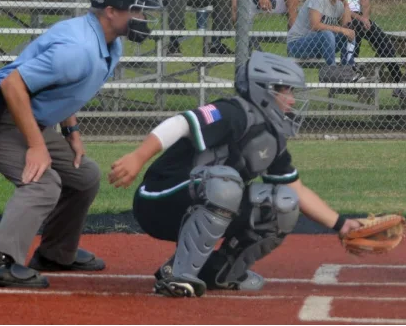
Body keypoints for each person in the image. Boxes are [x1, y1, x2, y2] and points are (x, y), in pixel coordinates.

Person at [0, 0, 162, 289]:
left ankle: (56, 252)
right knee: (43, 183)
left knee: (84, 176)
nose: (144, 18)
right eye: (137, 10)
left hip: (23, 115)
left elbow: (63, 90)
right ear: (111, 11)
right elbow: (13, 85)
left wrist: (72, 129)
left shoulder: (111, 42)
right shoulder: (78, 48)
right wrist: (36, 145)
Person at [108, 52, 363, 297]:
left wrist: (342, 225)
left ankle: (219, 273)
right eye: (286, 90)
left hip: (201, 202)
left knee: (282, 204)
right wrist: (138, 156)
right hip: (158, 198)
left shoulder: (273, 138)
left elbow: (296, 190)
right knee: (225, 184)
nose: (293, 100)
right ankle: (178, 274)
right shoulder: (233, 112)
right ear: (265, 89)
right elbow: (182, 122)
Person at [287, 0, 362, 79]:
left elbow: (347, 26)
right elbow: (315, 25)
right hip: (297, 44)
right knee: (327, 34)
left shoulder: (339, 3)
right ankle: (331, 72)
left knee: (350, 34)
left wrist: (346, 4)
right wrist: (342, 30)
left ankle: (347, 70)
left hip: (319, 46)